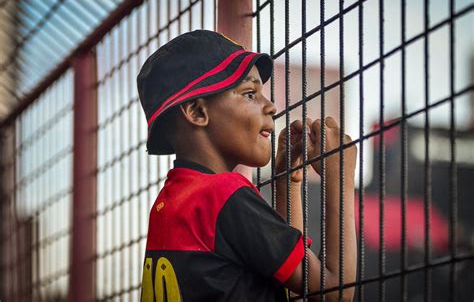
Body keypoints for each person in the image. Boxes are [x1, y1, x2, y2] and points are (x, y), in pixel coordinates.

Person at [137, 30, 357, 301]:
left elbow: (291, 283)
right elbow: (333, 291)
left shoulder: (170, 203)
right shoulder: (224, 195)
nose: (272, 107)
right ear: (197, 112)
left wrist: (287, 181)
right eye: (250, 94)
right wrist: (340, 176)